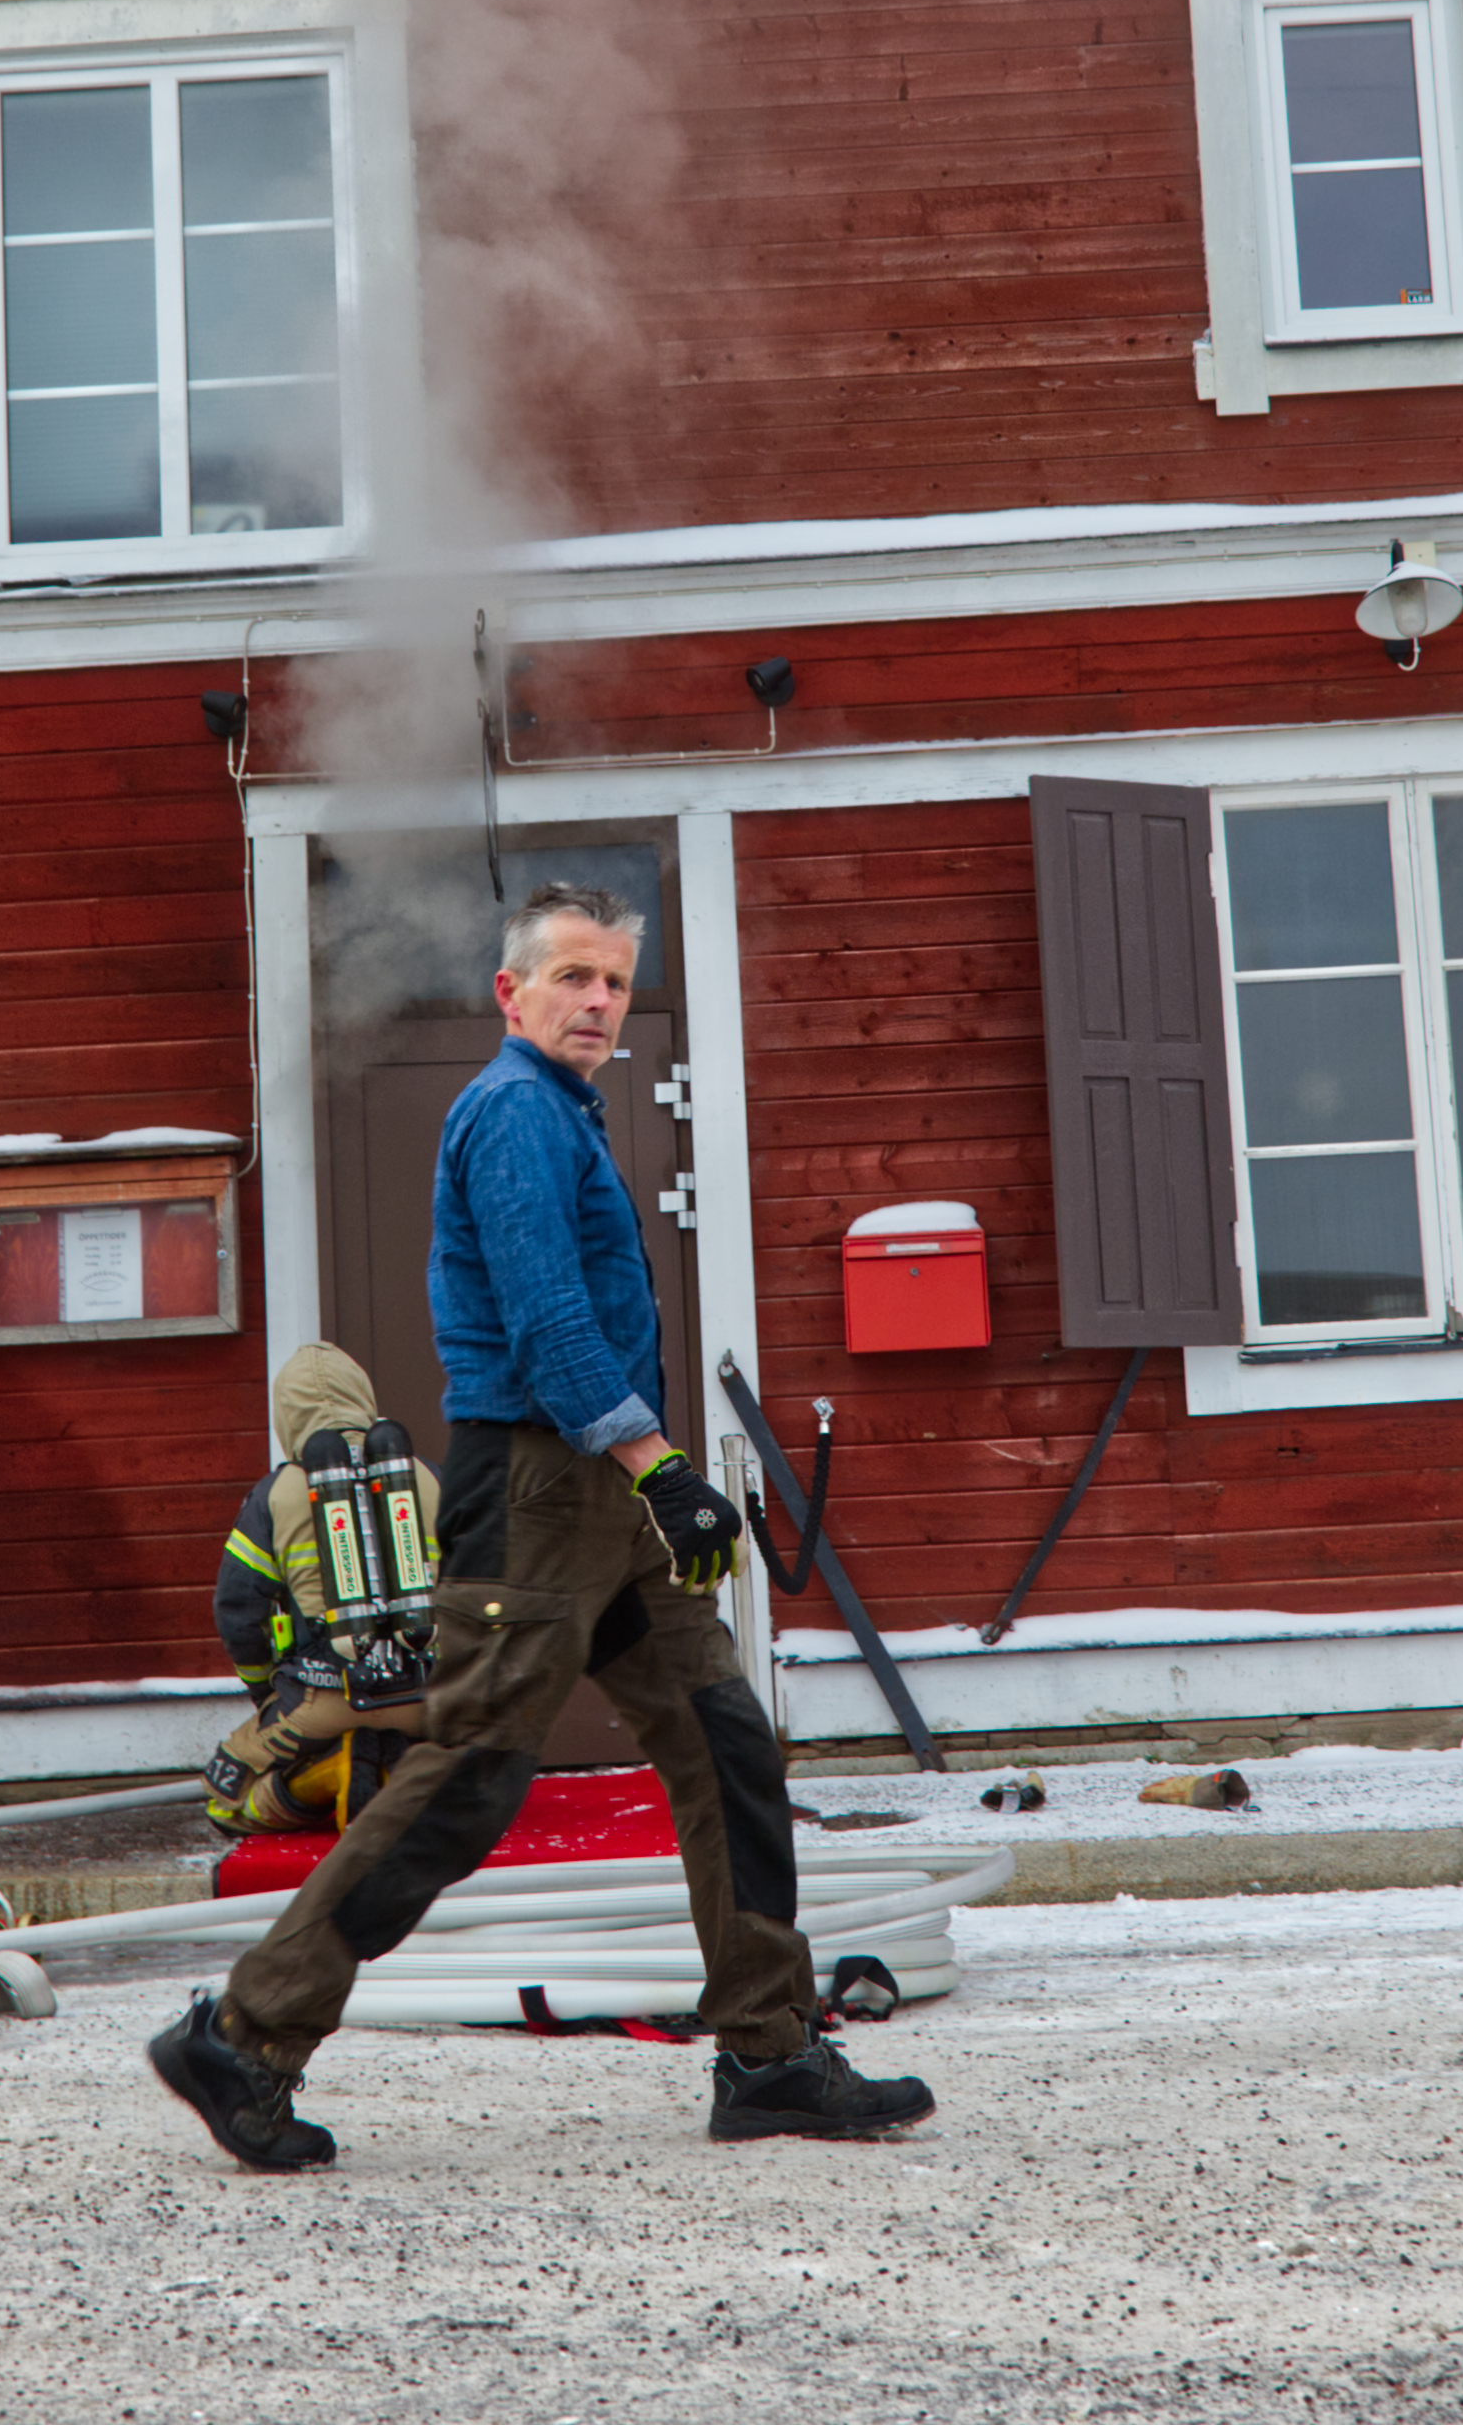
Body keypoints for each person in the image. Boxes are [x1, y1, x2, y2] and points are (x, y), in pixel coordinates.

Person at [150, 883, 933, 2164]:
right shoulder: (511, 1110)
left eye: (616, 980)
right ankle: (245, 2033)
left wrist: (647, 1482)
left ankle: (770, 2047)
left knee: (727, 1743)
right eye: (573, 976)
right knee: (465, 1779)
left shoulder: (563, 1114)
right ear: (511, 993)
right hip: (534, 1489)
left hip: (597, 1496)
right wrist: (660, 1463)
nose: (599, 1000)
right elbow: (546, 1321)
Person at [202, 1339, 440, 1838]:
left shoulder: (276, 1494)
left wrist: (266, 1689)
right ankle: (404, 1768)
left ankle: (327, 1775)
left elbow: (237, 1610)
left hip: (321, 1702)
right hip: (431, 1696)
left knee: (226, 1800)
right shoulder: (426, 1477)